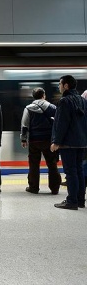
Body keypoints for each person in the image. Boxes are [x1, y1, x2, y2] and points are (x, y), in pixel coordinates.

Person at [51, 75, 87, 210]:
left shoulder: (65, 101)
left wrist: (56, 141)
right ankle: (80, 200)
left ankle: (71, 201)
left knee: (70, 172)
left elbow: (62, 123)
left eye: (60, 84)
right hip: (82, 142)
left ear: (66, 86)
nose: (59, 86)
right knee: (79, 171)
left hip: (68, 142)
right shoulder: (82, 100)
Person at [20, 87, 61, 194]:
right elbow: (58, 122)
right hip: (49, 141)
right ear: (44, 95)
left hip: (34, 141)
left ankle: (33, 187)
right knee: (52, 164)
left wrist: (24, 139)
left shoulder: (28, 108)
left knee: (34, 164)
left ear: (33, 97)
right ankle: (54, 188)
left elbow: (25, 125)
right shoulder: (52, 107)